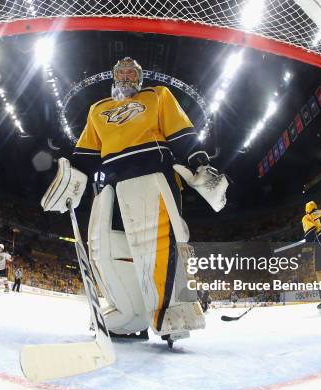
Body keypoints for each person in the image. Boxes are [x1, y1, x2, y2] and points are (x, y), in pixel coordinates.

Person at [41, 57, 229, 344]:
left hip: (151, 176)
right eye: (121, 72)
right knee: (104, 249)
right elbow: (86, 154)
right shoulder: (98, 109)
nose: (127, 75)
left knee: (159, 247)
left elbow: (181, 133)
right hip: (108, 187)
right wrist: (72, 180)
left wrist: (199, 163)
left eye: (132, 72)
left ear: (139, 78)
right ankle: (130, 315)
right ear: (114, 77)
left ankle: (172, 314)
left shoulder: (157, 96)